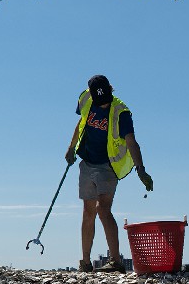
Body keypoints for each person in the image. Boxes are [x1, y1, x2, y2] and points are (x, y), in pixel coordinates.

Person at [65, 75, 153, 272]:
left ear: (111, 91)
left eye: (105, 101)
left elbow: (131, 141)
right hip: (87, 161)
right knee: (88, 212)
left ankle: (116, 262)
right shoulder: (86, 99)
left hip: (108, 165)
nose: (102, 105)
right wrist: (71, 148)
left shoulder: (121, 112)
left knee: (103, 210)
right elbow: (81, 123)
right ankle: (86, 263)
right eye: (99, 102)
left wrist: (141, 169)